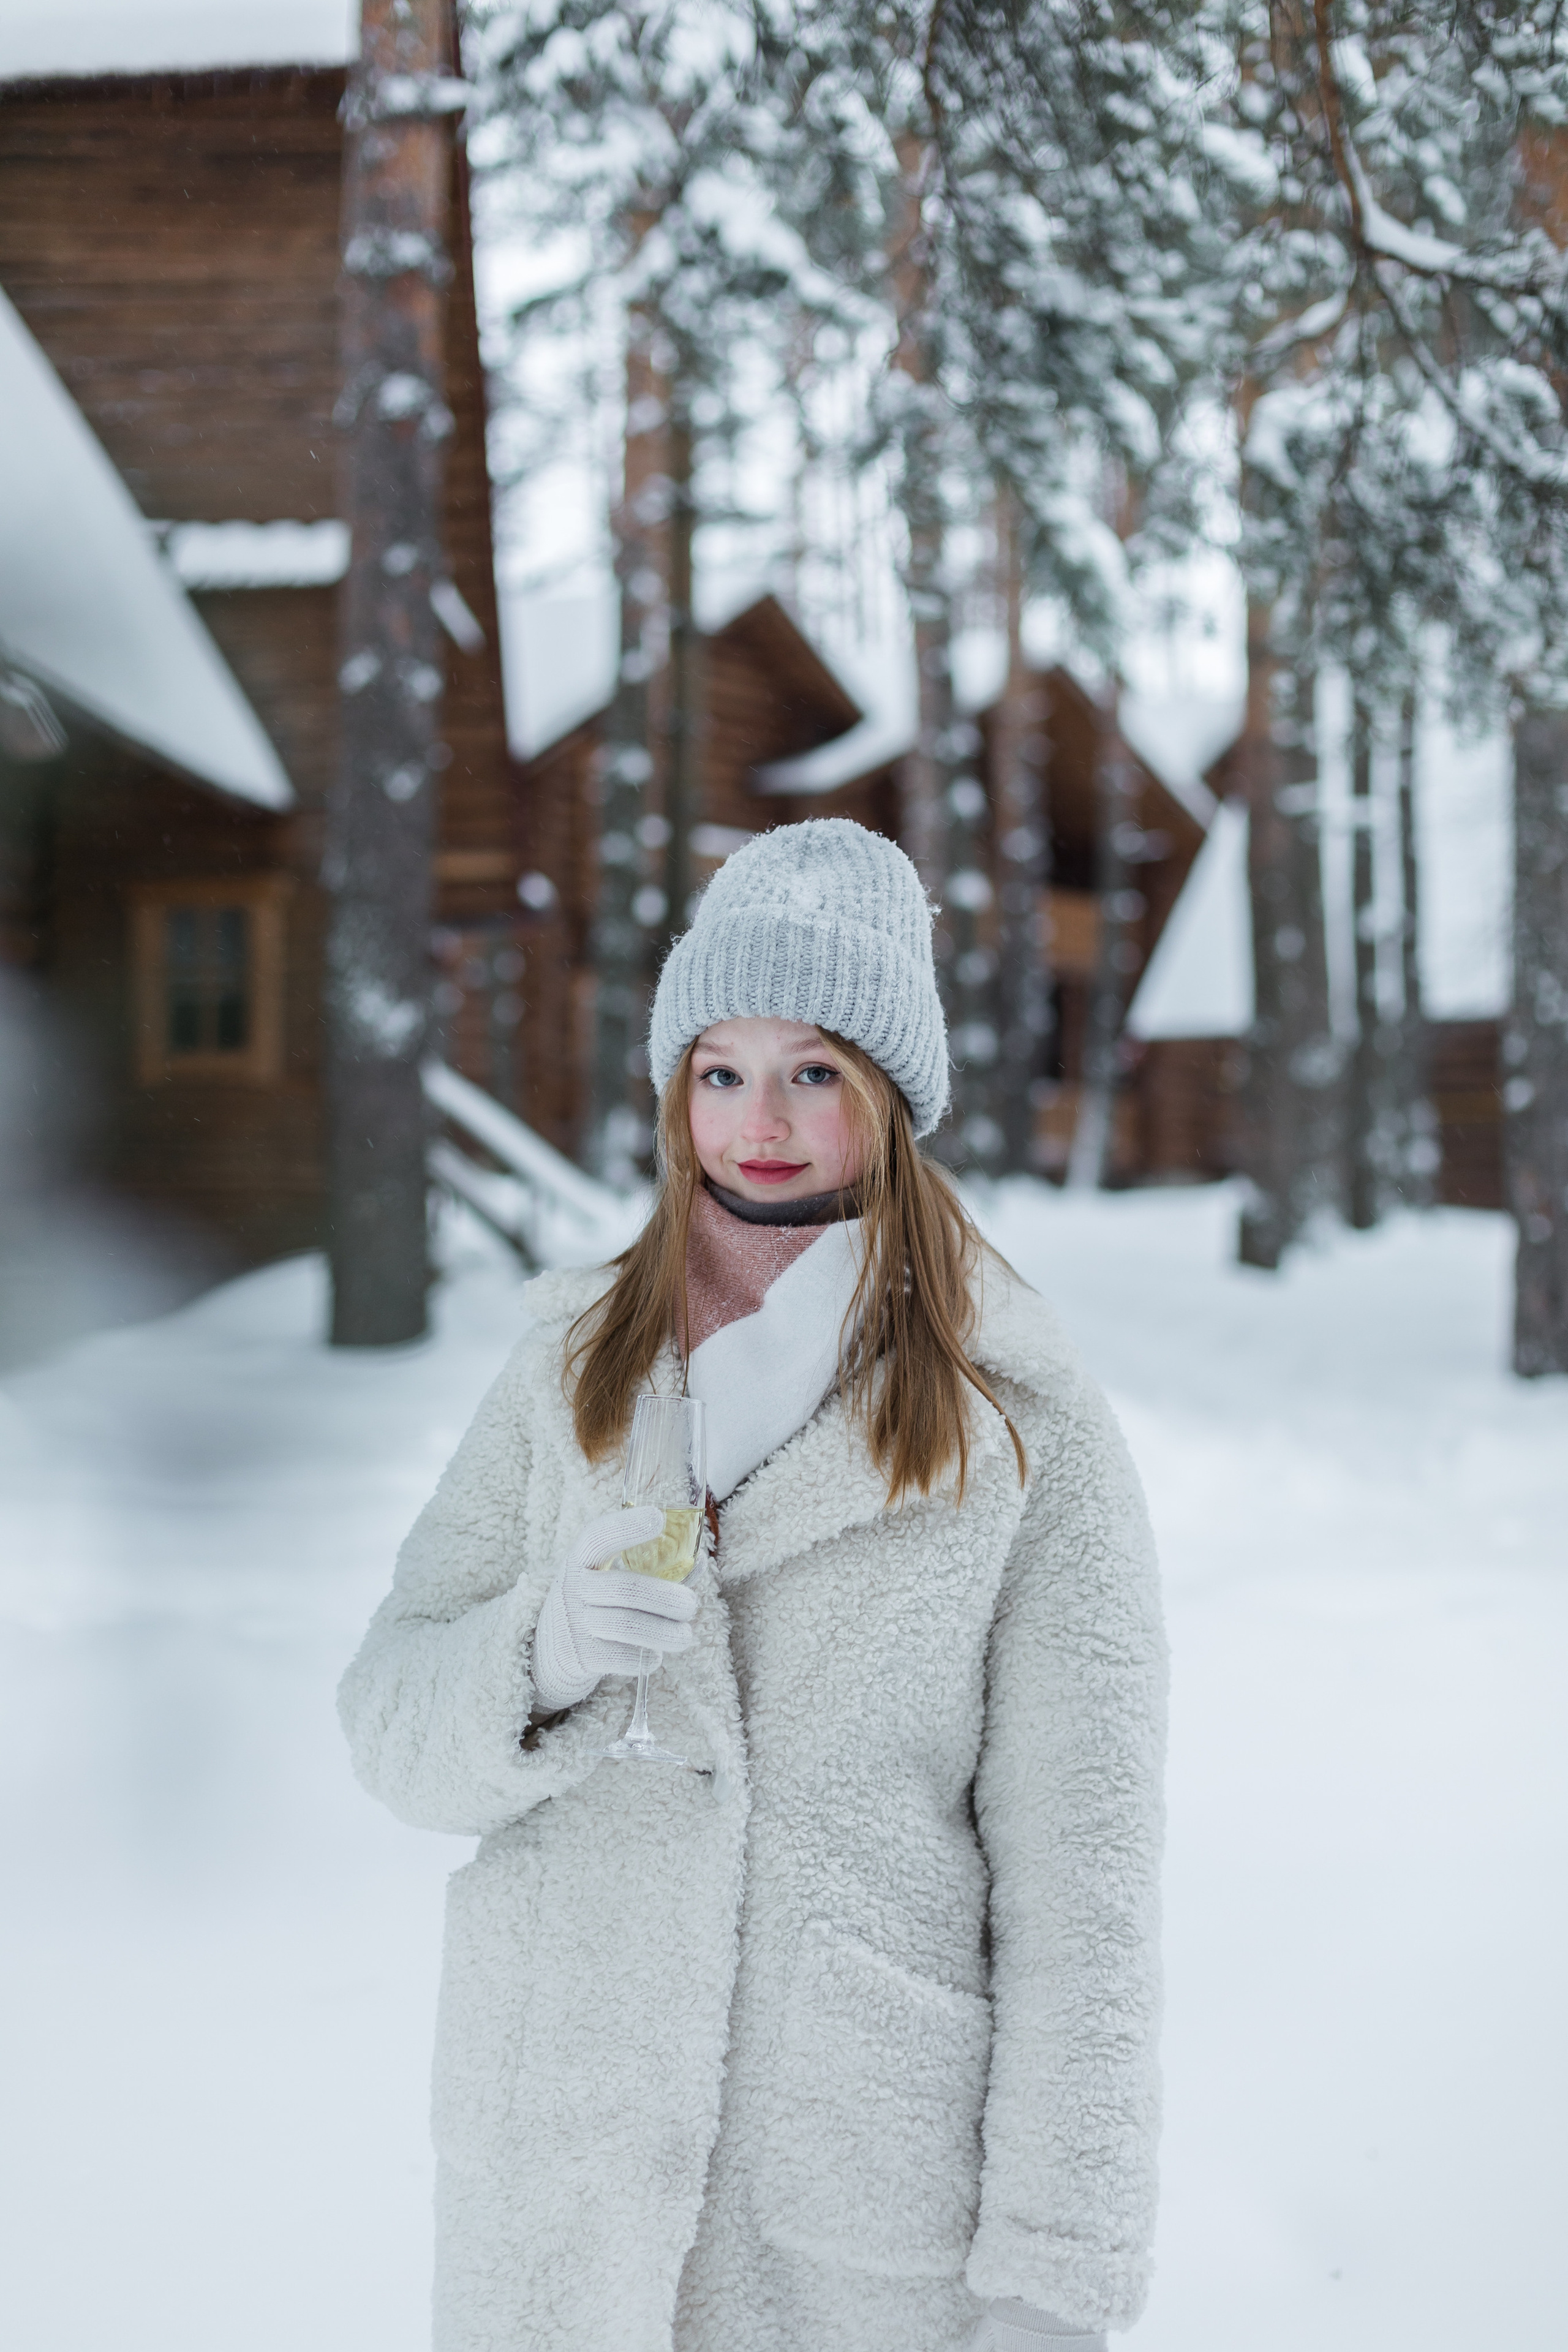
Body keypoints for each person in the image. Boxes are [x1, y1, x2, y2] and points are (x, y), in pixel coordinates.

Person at [339, 818, 1167, 2352]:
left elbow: (1084, 1884)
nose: (759, 1121)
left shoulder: (1017, 1420)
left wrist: (1053, 2273)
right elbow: (388, 1719)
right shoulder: (570, 1364)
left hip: (847, 2202)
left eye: (812, 1072)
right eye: (718, 1071)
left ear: (889, 1094)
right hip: (558, 2186)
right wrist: (537, 1661)